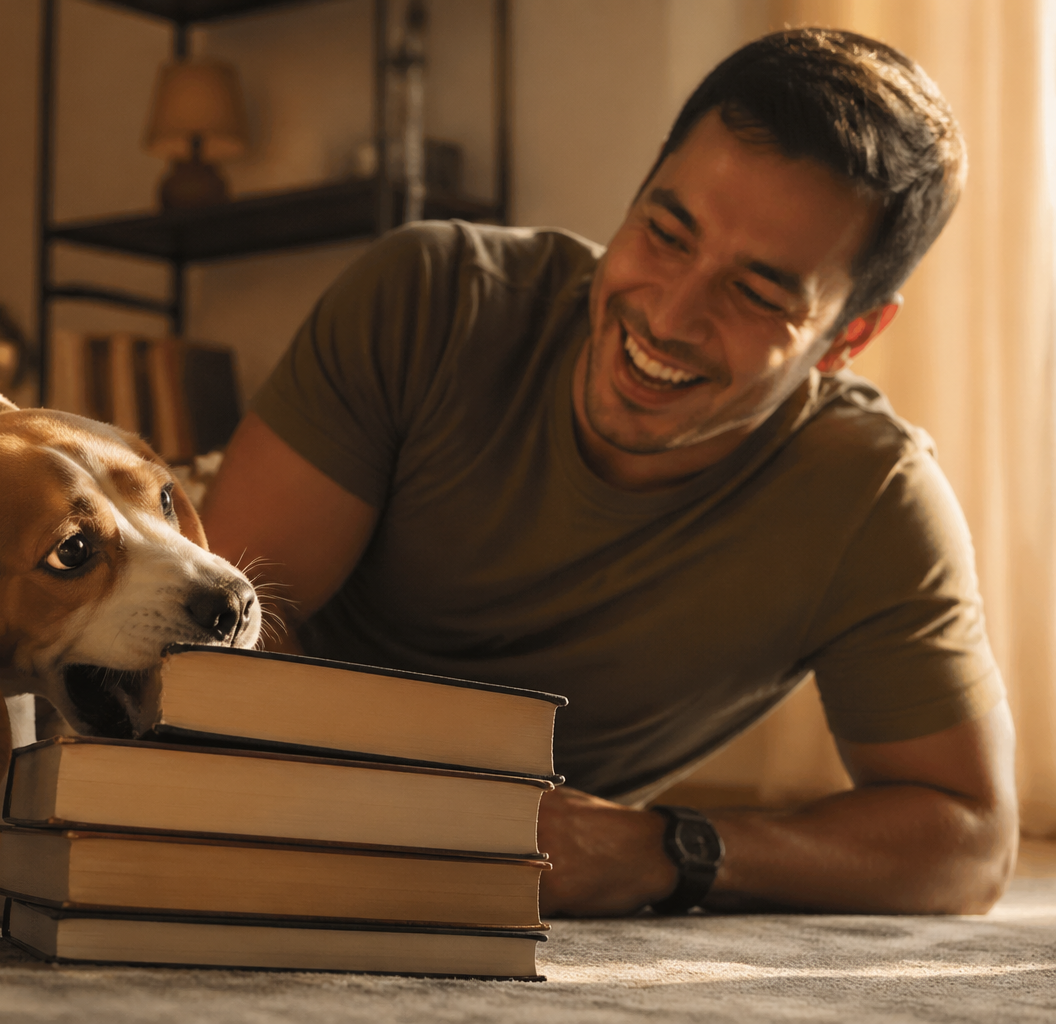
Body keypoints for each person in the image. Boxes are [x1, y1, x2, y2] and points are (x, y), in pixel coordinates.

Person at [200, 28, 1018, 916]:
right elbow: (209, 644)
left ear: (848, 336)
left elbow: (972, 843)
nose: (670, 316)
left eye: (756, 293)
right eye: (665, 233)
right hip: (279, 772)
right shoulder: (430, 298)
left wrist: (666, 849)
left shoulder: (872, 498)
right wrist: (408, 811)